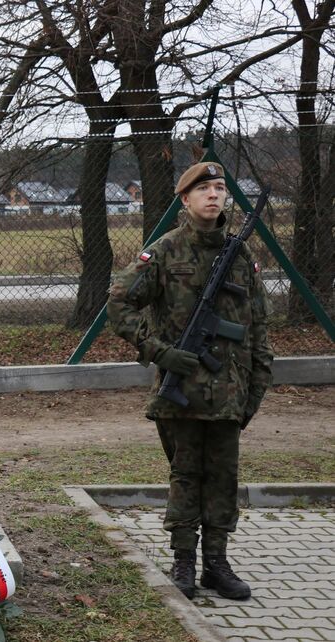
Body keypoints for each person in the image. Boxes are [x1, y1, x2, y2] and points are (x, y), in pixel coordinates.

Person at [108, 162, 274, 600]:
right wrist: (159, 351)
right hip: (181, 395)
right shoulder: (164, 252)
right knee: (185, 475)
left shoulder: (240, 256)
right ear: (185, 200)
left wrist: (256, 388)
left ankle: (216, 565)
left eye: (220, 188)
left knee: (224, 479)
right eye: (203, 189)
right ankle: (183, 561)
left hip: (230, 394)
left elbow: (258, 327)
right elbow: (119, 305)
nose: (214, 195)